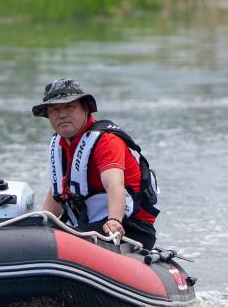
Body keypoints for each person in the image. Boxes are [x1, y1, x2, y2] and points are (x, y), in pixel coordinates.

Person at [33, 78, 159, 250]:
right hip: (89, 227)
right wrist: (38, 226)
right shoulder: (61, 144)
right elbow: (57, 193)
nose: (62, 114)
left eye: (69, 107)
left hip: (130, 227)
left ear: (85, 108)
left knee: (62, 241)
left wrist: (114, 220)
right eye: (54, 110)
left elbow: (115, 184)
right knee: (44, 237)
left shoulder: (106, 140)